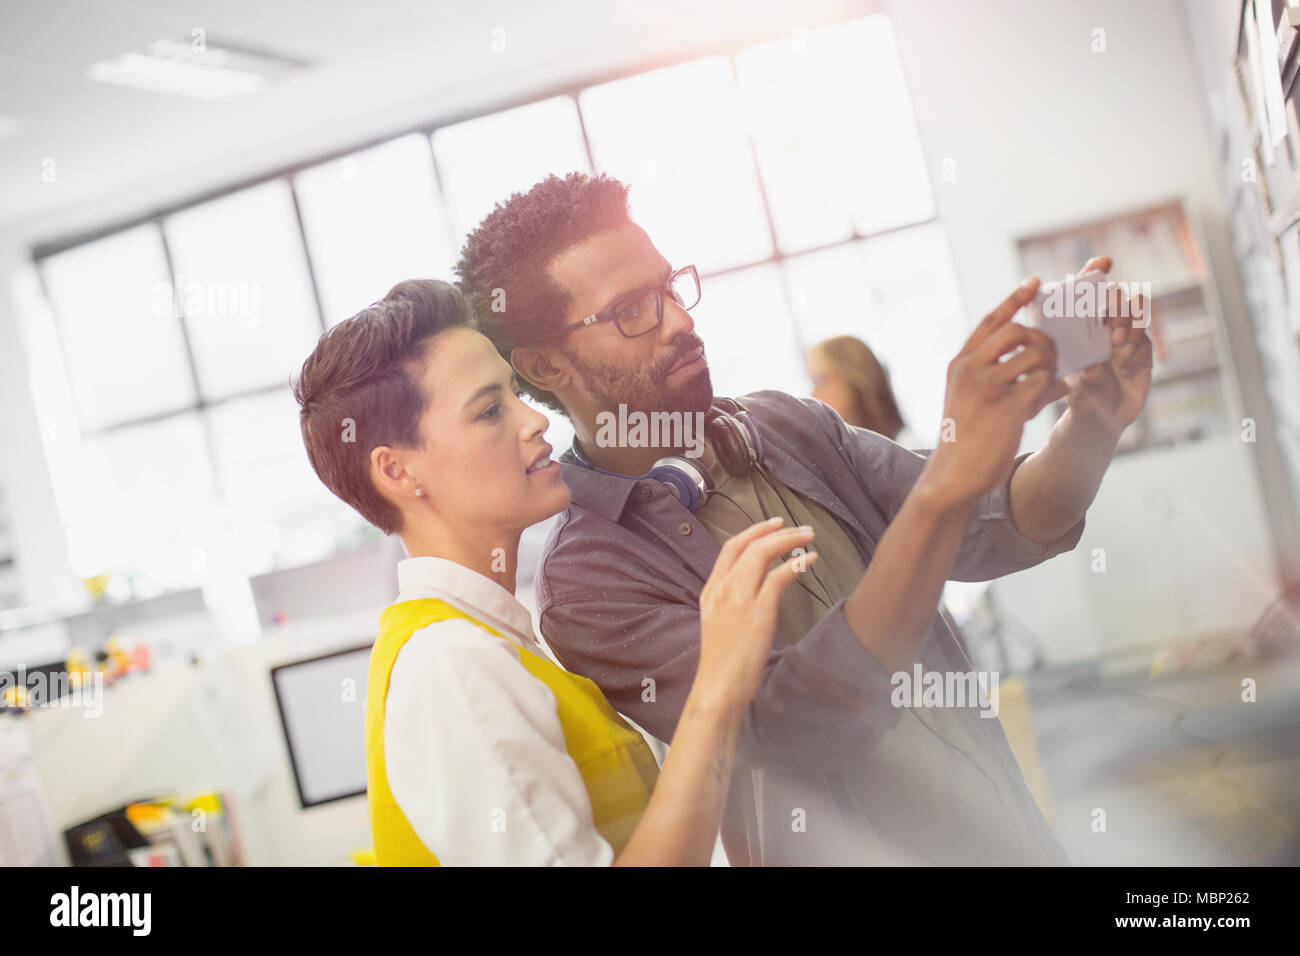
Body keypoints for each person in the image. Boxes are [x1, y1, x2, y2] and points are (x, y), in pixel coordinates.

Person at [456, 172, 1154, 865]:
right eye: (633, 310)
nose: (681, 320)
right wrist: (946, 480)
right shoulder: (587, 582)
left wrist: (1091, 423)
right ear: (546, 364)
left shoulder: (785, 425)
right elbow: (799, 722)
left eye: (671, 287)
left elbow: (993, 524)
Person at [292, 278, 820, 865]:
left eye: (515, 394)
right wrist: (717, 685)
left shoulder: (489, 643)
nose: (533, 421)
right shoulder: (453, 662)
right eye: (490, 410)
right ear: (396, 472)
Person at [805, 334, 921, 447]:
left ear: (853, 380)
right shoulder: (840, 451)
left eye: (821, 380)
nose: (813, 394)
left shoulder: (907, 447)